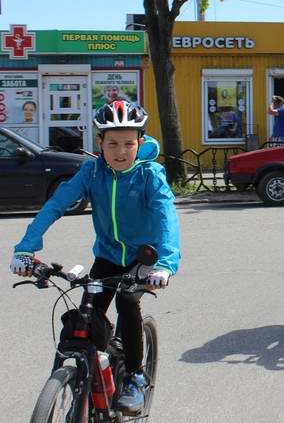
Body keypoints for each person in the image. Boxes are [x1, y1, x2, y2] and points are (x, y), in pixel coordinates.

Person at [10, 100, 180, 415]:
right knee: (87, 314)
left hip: (144, 257)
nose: (120, 151)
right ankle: (85, 374)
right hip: (108, 256)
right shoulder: (92, 172)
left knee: (127, 302)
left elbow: (166, 217)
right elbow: (56, 205)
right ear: (99, 142)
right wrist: (26, 246)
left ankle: (134, 377)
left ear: (139, 143)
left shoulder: (149, 175)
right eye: (112, 143)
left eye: (129, 143)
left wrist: (166, 265)